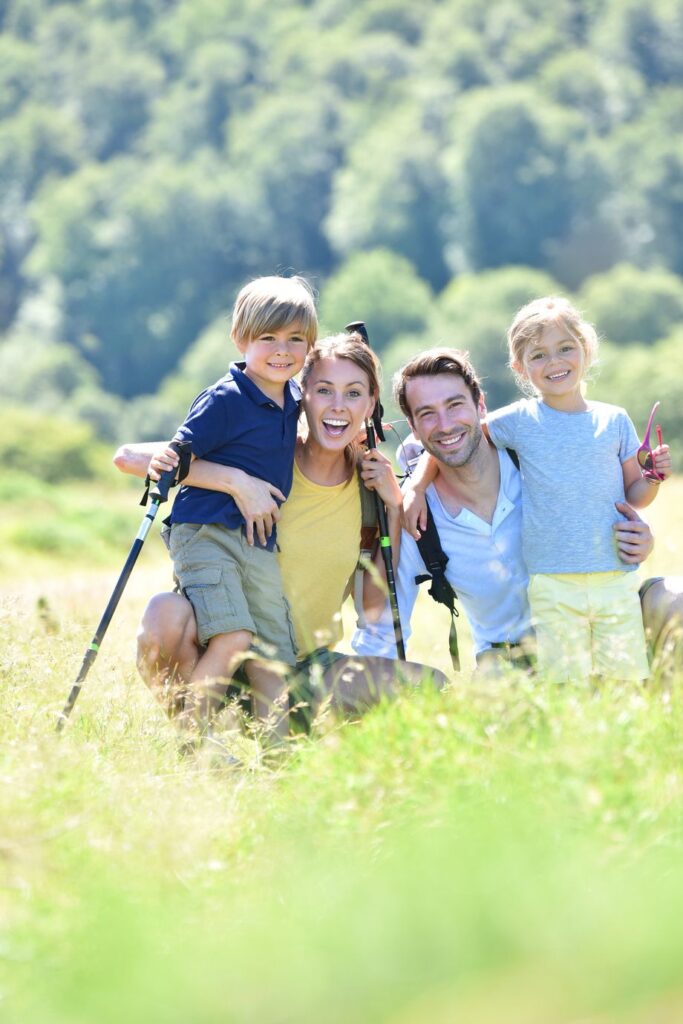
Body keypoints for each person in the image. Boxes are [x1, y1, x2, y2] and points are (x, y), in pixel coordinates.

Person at [114, 331, 445, 739]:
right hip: (223, 657)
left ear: (372, 404)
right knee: (163, 614)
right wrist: (236, 481)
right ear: (300, 393)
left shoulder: (369, 486)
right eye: (324, 390)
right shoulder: (262, 454)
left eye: (354, 393)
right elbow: (130, 456)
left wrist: (393, 507)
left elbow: (373, 609)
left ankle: (292, 737)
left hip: (306, 668)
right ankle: (200, 745)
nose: (338, 406)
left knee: (433, 689)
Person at [352, 347, 673, 678]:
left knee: (673, 600)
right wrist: (395, 505)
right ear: (413, 428)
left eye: (455, 404)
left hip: (603, 620)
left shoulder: (536, 455)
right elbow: (377, 623)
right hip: (514, 659)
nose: (445, 425)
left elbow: (613, 502)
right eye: (428, 413)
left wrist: (639, 535)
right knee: (492, 680)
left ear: (480, 406)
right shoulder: (416, 515)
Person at [157, 274, 317, 742]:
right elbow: (180, 459)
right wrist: (177, 460)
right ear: (240, 339)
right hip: (206, 532)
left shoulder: (292, 399)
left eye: (295, 340)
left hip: (259, 543)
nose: (282, 350)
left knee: (274, 655)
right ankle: (193, 739)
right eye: (267, 338)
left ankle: (277, 759)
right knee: (232, 638)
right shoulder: (225, 398)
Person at [484, 296, 671, 682]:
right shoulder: (518, 420)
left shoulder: (614, 420)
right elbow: (463, 440)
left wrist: (651, 478)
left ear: (585, 350)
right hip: (552, 580)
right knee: (566, 682)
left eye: (565, 348)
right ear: (520, 368)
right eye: (538, 355)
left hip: (615, 573)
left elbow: (634, 494)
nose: (554, 362)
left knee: (624, 679)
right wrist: (417, 483)